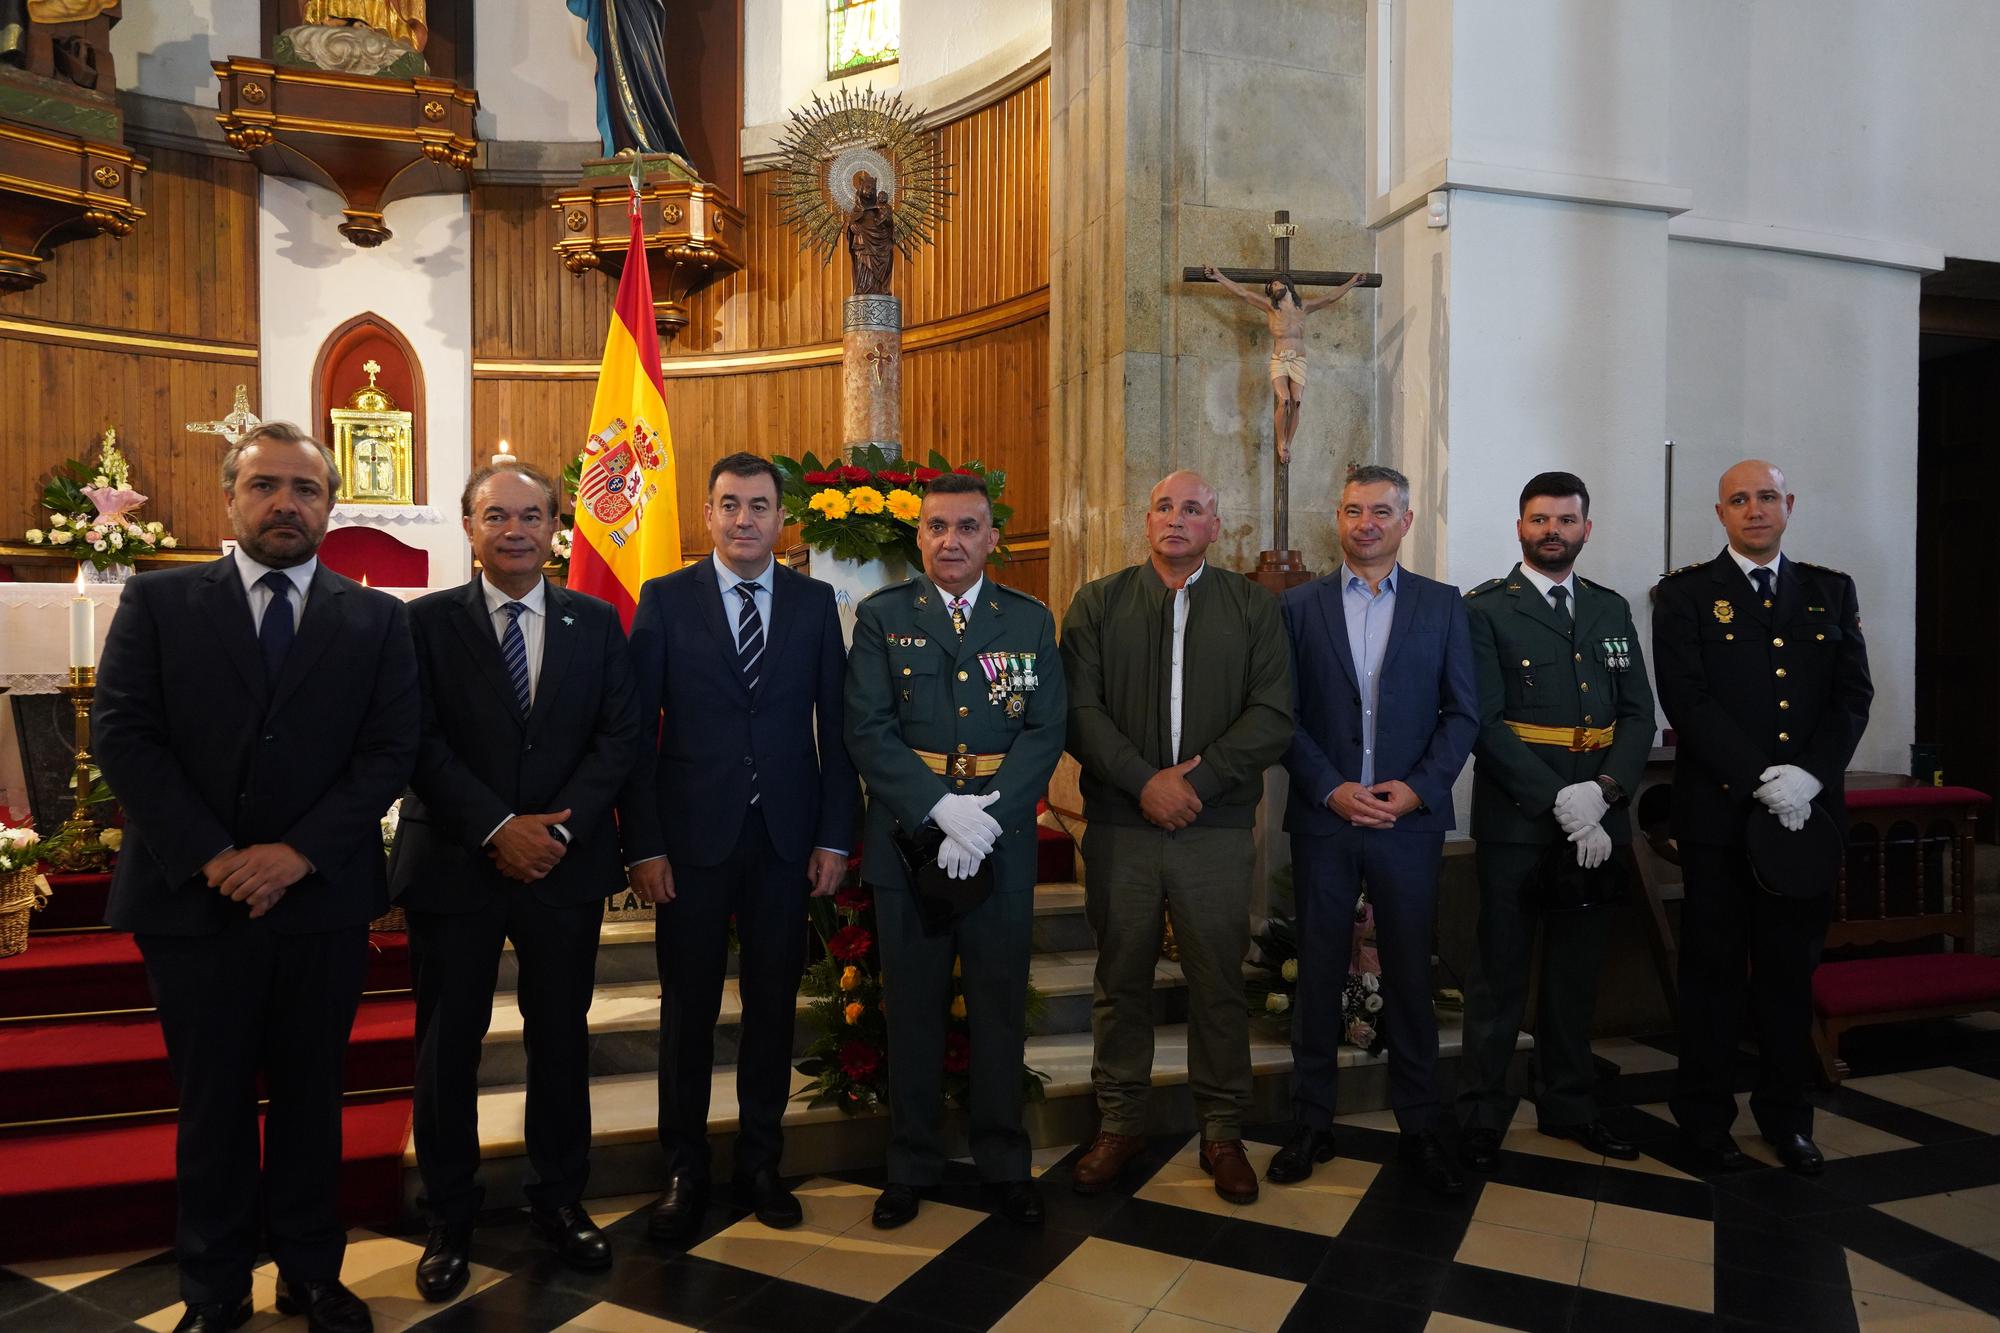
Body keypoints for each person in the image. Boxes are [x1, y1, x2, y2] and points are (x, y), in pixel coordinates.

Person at [95, 422, 419, 1333]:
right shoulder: (159, 603)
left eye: (305, 489)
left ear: (330, 506)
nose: (286, 503)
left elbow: (390, 749)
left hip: (320, 899)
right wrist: (215, 855)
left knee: (315, 1097)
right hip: (191, 899)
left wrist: (297, 852)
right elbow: (124, 734)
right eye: (266, 485)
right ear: (229, 498)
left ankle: (314, 1273)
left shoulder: (376, 616)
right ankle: (214, 1285)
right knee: (213, 1104)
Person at [389, 463, 639, 1299]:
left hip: (562, 867)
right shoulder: (421, 624)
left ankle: (560, 1199)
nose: (516, 528)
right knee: (446, 1047)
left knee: (560, 1038)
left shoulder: (596, 621)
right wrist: (499, 827)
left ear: (555, 526)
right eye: (497, 514)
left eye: (531, 514)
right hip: (457, 862)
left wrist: (555, 830)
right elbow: (415, 740)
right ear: (469, 526)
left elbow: (619, 734)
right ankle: (448, 1213)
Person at [624, 453, 858, 1239]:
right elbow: (635, 736)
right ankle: (684, 1167)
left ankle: (761, 1160)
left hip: (785, 839)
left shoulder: (814, 602)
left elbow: (838, 727)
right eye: (730, 504)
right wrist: (643, 845)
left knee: (771, 1007)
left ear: (780, 515)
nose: (745, 519)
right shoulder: (664, 600)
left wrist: (833, 833)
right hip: (689, 843)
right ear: (708, 511)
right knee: (687, 1011)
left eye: (760, 505)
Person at [1059, 471, 1292, 1203]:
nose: (1176, 518)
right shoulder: (1098, 603)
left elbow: (1274, 712)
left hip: (1213, 827)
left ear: (1216, 527)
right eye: (1164, 505)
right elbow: (1079, 710)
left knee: (1219, 984)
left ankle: (1222, 1131)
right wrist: (1144, 782)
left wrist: (1200, 780)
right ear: (1147, 520)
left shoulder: (1253, 606)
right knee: (1119, 978)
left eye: (1194, 507)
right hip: (1123, 827)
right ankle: (1119, 1122)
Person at [844, 470, 1067, 1230]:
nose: (952, 540)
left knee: (1000, 1006)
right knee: (911, 1008)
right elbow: (867, 727)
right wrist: (941, 808)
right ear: (920, 535)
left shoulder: (1029, 620)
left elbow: (1045, 729)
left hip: (998, 843)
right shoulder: (883, 617)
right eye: (938, 526)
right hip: (910, 840)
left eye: (968, 526)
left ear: (992, 537)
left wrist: (989, 817)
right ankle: (910, 1163)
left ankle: (1005, 1161)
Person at [1653, 459, 1872, 1175]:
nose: (1755, 509)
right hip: (1720, 818)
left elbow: (1851, 697)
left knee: (1788, 973)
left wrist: (1808, 775)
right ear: (1719, 513)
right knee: (1713, 973)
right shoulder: (1686, 595)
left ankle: (1788, 1118)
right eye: (1740, 499)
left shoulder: (1829, 591)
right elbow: (1687, 699)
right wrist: (1757, 777)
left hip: (1804, 819)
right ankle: (1705, 1119)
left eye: (1767, 497)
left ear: (1790, 505)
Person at [1272, 464, 1477, 1196]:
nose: (1366, 523)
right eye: (1355, 510)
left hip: (1406, 825)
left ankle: (1420, 1125)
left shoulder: (1444, 606)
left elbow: (1464, 714)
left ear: (1406, 520)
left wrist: (1416, 791)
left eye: (1381, 511)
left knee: (1412, 978)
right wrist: (1330, 788)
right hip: (1327, 822)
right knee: (1319, 973)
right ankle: (1310, 1121)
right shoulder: (1298, 608)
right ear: (1338, 516)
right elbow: (1281, 717)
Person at [1453, 472, 1654, 1172]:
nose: (1552, 531)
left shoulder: (1608, 608)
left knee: (1576, 973)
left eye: (1566, 520)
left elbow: (1637, 714)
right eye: (1540, 520)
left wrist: (1602, 791)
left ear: (1586, 529)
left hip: (1598, 818)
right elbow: (1481, 720)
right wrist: (1557, 800)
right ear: (1519, 527)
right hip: (1518, 818)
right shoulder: (1485, 609)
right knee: (1500, 971)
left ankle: (1570, 1104)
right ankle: (1481, 1110)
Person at [1200, 264, 1362, 464]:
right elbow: (1243, 294)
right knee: (1284, 400)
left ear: (1286, 284)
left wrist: (1352, 282)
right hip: (1279, 359)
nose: (1272, 288)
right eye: (1271, 287)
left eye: (1275, 283)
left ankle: (1288, 442)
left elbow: (1330, 297)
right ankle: (1280, 441)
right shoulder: (1270, 308)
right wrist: (1220, 277)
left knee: (1296, 401)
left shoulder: (1304, 306)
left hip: (1299, 359)